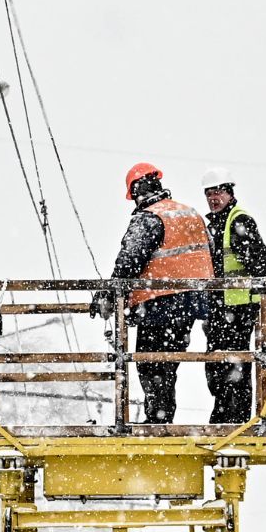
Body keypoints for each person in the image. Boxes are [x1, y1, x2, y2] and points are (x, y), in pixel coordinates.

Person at [94, 163, 213, 424]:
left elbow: (129, 262)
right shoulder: (189, 213)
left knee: (150, 364)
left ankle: (158, 419)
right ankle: (161, 417)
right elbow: (210, 254)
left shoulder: (149, 217)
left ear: (137, 190)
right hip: (192, 303)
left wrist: (106, 293)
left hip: (160, 303)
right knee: (167, 364)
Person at [200, 167, 266, 424]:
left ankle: (235, 417)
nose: (213, 198)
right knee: (216, 363)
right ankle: (223, 412)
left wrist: (261, 298)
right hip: (220, 308)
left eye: (218, 192)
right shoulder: (215, 225)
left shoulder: (238, 221)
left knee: (235, 365)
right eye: (209, 193)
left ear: (230, 193)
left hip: (239, 307)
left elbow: (262, 263)